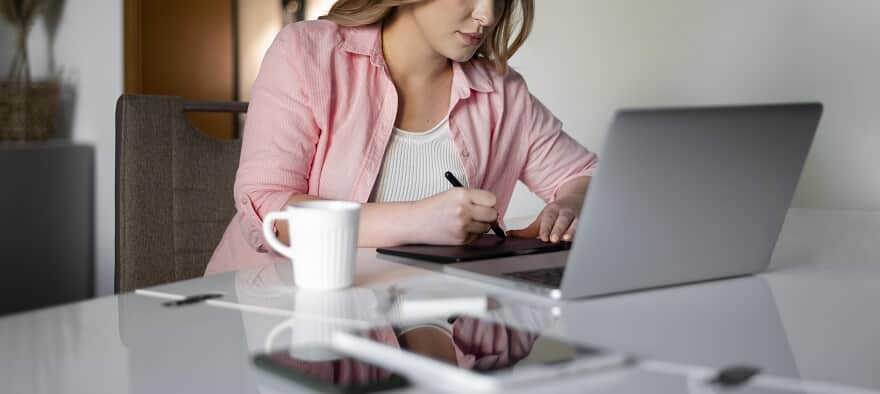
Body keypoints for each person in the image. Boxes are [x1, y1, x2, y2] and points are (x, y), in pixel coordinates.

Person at [206, 0, 597, 275]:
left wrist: (569, 206)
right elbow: (268, 209)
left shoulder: (503, 93)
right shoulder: (305, 53)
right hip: (280, 319)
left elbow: (586, 176)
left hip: (423, 320)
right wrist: (419, 221)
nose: (488, 14)